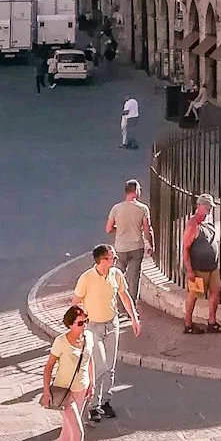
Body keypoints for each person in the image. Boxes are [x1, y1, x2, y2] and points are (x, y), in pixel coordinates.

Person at [72, 245, 141, 421]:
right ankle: (93, 405)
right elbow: (75, 302)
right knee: (100, 366)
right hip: (93, 327)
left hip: (112, 324)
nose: (116, 260)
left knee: (110, 366)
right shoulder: (86, 278)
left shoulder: (116, 274)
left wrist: (134, 318)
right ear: (102, 260)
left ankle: (105, 402)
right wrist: (78, 326)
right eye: (113, 258)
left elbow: (124, 296)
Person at [41, 306, 92, 441]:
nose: (84, 325)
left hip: (82, 390)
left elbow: (89, 359)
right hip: (65, 393)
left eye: (86, 321)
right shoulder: (61, 342)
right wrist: (47, 392)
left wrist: (91, 383)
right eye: (80, 323)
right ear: (70, 324)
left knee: (68, 429)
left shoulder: (89, 337)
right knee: (77, 432)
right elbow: (48, 367)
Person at [106, 179, 153, 310]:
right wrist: (151, 244)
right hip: (136, 247)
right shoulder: (143, 209)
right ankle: (130, 309)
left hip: (120, 248)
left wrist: (119, 229)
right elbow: (147, 230)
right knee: (133, 279)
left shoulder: (116, 208)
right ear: (136, 191)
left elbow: (108, 229)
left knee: (117, 276)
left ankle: (116, 305)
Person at [181, 199, 221, 335]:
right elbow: (185, 249)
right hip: (199, 268)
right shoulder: (192, 225)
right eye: (206, 206)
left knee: (215, 292)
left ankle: (212, 322)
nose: (209, 209)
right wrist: (189, 270)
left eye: (210, 206)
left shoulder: (208, 222)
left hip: (212, 267)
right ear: (198, 206)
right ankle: (188, 324)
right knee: (193, 295)